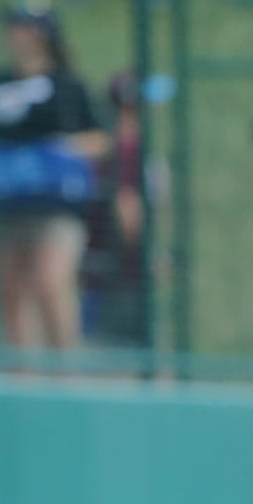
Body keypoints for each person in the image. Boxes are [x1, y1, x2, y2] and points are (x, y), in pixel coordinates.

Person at [0, 0, 108, 352]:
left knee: (49, 281)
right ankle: (22, 378)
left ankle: (64, 371)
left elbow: (100, 138)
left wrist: (61, 148)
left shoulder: (67, 85)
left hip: (55, 206)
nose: (14, 33)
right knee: (9, 290)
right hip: (7, 203)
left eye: (22, 26)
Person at [82, 71, 151, 348]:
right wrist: (141, 248)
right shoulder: (125, 144)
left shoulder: (108, 141)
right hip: (118, 259)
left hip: (104, 257)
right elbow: (127, 202)